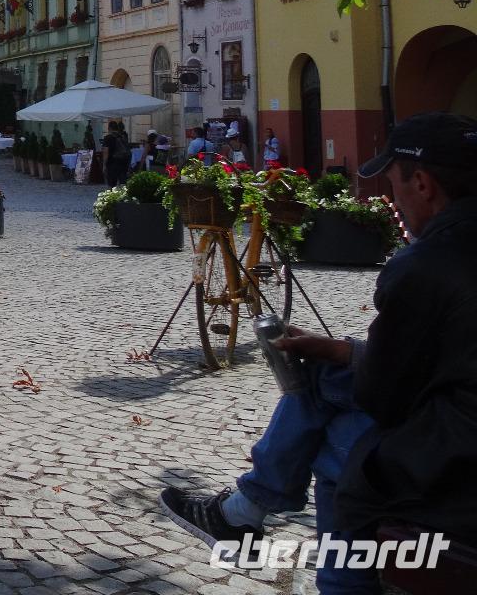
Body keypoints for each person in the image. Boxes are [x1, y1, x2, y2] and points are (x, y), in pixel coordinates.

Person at [159, 113, 477, 592]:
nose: (393, 201)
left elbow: (384, 395)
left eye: (393, 187)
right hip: (458, 416)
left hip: (460, 452)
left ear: (423, 183)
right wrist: (341, 352)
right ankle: (243, 511)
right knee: (324, 378)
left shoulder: (428, 264)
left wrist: (344, 359)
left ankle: (254, 518)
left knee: (339, 449)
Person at [102, 120, 129, 187]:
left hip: (112, 162)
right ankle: (123, 196)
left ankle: (112, 196)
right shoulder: (123, 136)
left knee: (112, 184)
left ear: (109, 128)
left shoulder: (108, 137)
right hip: (124, 161)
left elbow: (106, 152)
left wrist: (104, 165)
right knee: (123, 183)